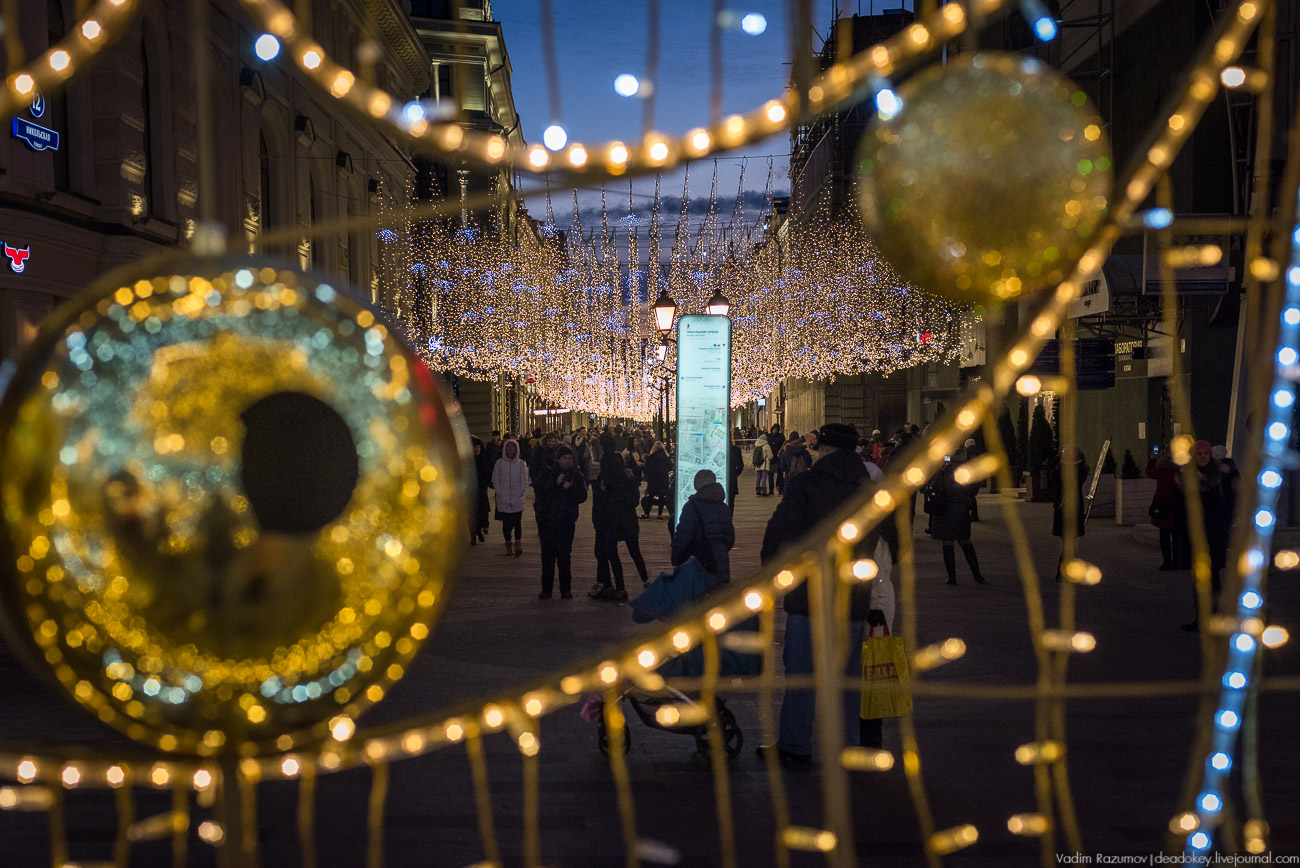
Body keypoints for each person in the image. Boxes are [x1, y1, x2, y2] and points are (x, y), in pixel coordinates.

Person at [758, 422, 881, 762]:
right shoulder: (868, 490)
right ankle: (848, 746)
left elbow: (780, 535)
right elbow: (890, 546)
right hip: (854, 597)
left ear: (823, 450)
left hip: (809, 598)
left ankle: (795, 746)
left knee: (801, 675)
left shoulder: (805, 485)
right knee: (848, 677)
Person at [1180, 440, 1231, 631]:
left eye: (1205, 454)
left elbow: (1227, 505)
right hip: (1194, 535)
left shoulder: (1219, 477)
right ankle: (1201, 618)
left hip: (1214, 534)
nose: (1202, 457)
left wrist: (1222, 526)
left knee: (1213, 577)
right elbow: (1181, 508)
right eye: (1199, 454)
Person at [533, 445, 586, 599]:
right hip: (547, 520)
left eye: (570, 458)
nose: (568, 461)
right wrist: (555, 483)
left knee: (564, 556)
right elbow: (538, 487)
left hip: (566, 521)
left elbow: (582, 496)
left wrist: (569, 488)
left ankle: (566, 590)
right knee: (547, 556)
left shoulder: (577, 476)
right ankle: (546, 590)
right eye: (565, 458)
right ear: (558, 459)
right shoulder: (548, 472)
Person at [927, 446, 985, 585]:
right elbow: (973, 489)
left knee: (947, 543)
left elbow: (930, 487)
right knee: (965, 540)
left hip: (944, 509)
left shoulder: (943, 472)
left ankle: (952, 576)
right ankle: (977, 574)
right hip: (961, 509)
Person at [591, 437, 636, 601]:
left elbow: (608, 496)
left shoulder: (609, 467)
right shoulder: (613, 468)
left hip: (608, 519)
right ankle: (608, 584)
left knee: (608, 553)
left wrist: (604, 489)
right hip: (607, 519)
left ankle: (617, 586)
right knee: (605, 553)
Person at [671, 469, 735, 582]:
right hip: (720, 564)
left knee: (698, 597)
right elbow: (730, 539)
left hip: (696, 564)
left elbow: (683, 536)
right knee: (720, 597)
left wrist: (676, 558)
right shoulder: (724, 507)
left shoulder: (691, 507)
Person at [1049, 446, 1088, 579]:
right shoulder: (1081, 472)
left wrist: (1058, 459)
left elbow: (1052, 474)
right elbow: (1083, 467)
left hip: (1063, 509)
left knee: (1067, 542)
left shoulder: (1060, 473)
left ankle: (1061, 572)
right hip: (1075, 509)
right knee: (1069, 541)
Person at [491, 438, 528, 557]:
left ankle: (518, 544)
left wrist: (521, 490)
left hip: (517, 497)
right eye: (508, 446)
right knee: (506, 524)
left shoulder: (521, 463)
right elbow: (495, 478)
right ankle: (508, 544)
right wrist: (499, 491)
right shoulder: (499, 463)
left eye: (513, 447)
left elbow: (524, 479)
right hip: (504, 498)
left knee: (517, 523)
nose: (511, 449)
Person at [1146, 448, 1178, 570]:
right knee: (1177, 536)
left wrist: (1153, 460)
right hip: (1177, 505)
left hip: (1163, 505)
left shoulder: (1162, 469)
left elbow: (1149, 472)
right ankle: (1177, 561)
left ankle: (1167, 562)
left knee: (1164, 535)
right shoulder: (1180, 470)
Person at [468, 437, 492, 545]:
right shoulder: (467, 461)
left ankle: (478, 530)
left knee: (482, 513)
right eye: (475, 447)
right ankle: (473, 535)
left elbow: (488, 474)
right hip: (470, 491)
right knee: (471, 514)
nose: (477, 449)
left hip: (482, 491)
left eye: (478, 447)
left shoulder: (484, 459)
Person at [642, 441, 672, 518]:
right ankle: (659, 514)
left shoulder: (650, 457)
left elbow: (646, 468)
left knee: (650, 496)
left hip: (653, 479)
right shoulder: (665, 458)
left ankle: (647, 513)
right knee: (661, 497)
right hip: (663, 479)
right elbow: (670, 467)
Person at [767, 424, 786, 495]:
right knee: (770, 475)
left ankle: (780, 489)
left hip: (778, 458)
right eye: (774, 429)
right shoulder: (768, 436)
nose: (775, 430)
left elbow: (783, 445)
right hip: (771, 458)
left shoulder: (781, 437)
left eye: (776, 429)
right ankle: (771, 490)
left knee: (779, 475)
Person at [753, 432, 773, 496]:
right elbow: (770, 456)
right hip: (764, 464)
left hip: (758, 464)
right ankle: (763, 491)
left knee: (758, 477)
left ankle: (757, 491)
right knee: (764, 477)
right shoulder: (766, 446)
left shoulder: (757, 445)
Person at [728, 434, 743, 513]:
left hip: (718, 480)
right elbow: (740, 466)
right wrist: (734, 474)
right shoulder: (736, 450)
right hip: (732, 480)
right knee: (731, 502)